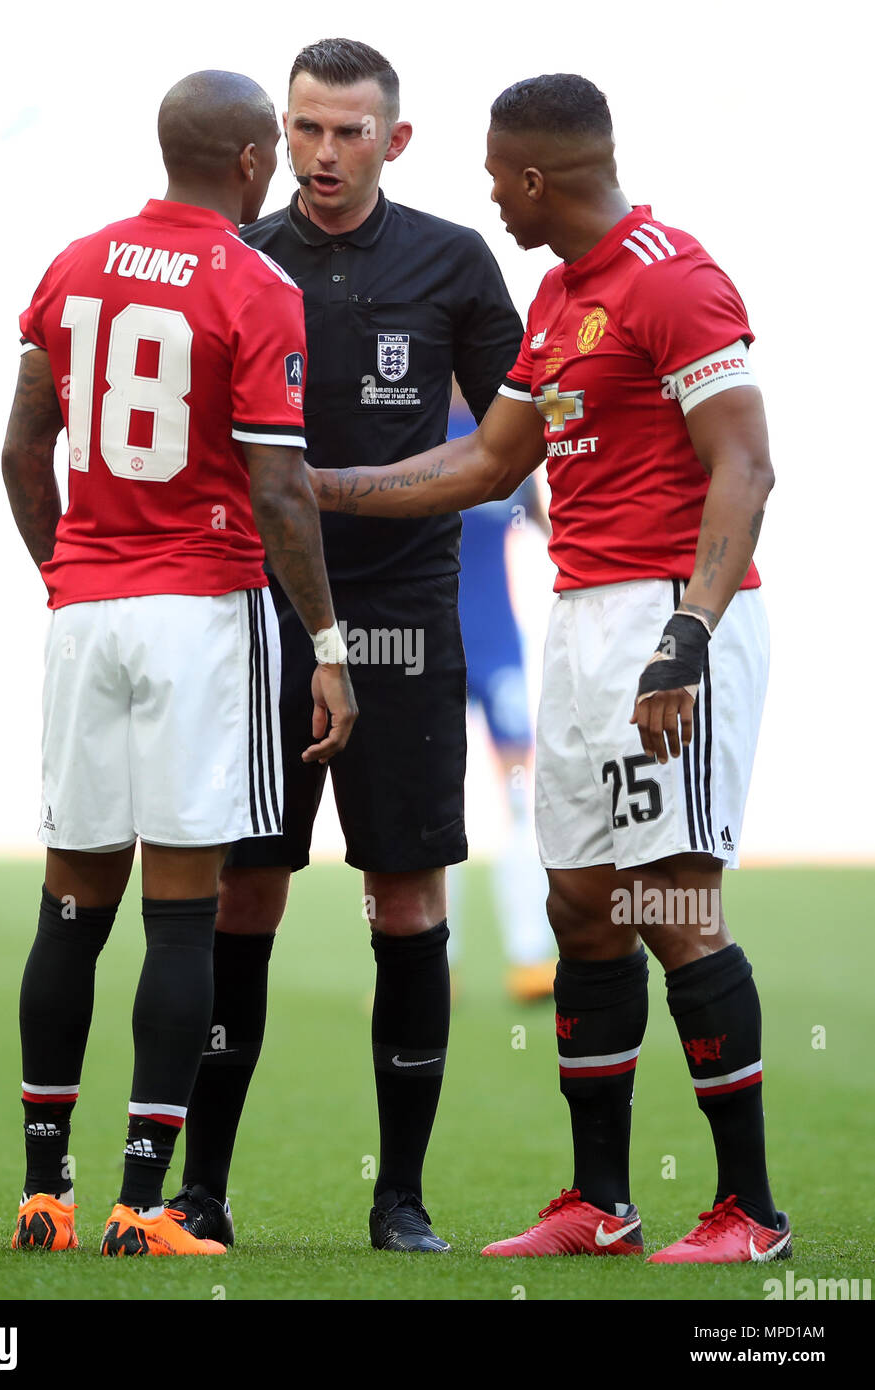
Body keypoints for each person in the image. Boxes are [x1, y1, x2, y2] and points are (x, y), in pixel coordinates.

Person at [310, 73, 788, 1264]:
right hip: (577, 619)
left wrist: (687, 632)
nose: (483, 191)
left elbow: (745, 465)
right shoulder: (561, 294)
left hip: (664, 623)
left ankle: (750, 1213)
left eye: (492, 172)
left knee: (672, 903)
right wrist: (312, 487)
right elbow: (482, 463)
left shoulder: (673, 277)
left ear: (535, 177)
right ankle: (601, 1203)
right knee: (582, 906)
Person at [169, 38, 523, 1254]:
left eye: (348, 133)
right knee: (242, 891)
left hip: (406, 621)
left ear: (395, 140)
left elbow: (515, 439)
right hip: (255, 618)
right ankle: (200, 1189)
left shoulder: (454, 262)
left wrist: (352, 489)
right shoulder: (240, 257)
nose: (323, 155)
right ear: (278, 133)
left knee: (405, 895)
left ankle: (401, 1199)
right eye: (305, 130)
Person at [1, 69, 356, 1258]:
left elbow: (20, 449)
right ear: (255, 159)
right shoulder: (256, 284)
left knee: (69, 907)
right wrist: (326, 642)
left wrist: (68, 573)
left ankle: (43, 1193)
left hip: (85, 611)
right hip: (197, 613)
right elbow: (278, 490)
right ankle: (144, 1204)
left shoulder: (71, 263)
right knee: (183, 919)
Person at [446, 385, 557, 1002]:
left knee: (519, 799)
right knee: (438, 802)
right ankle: (439, 965)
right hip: (433, 643)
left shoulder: (509, 437)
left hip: (497, 643)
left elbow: (551, 529)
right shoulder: (419, 425)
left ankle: (530, 958)